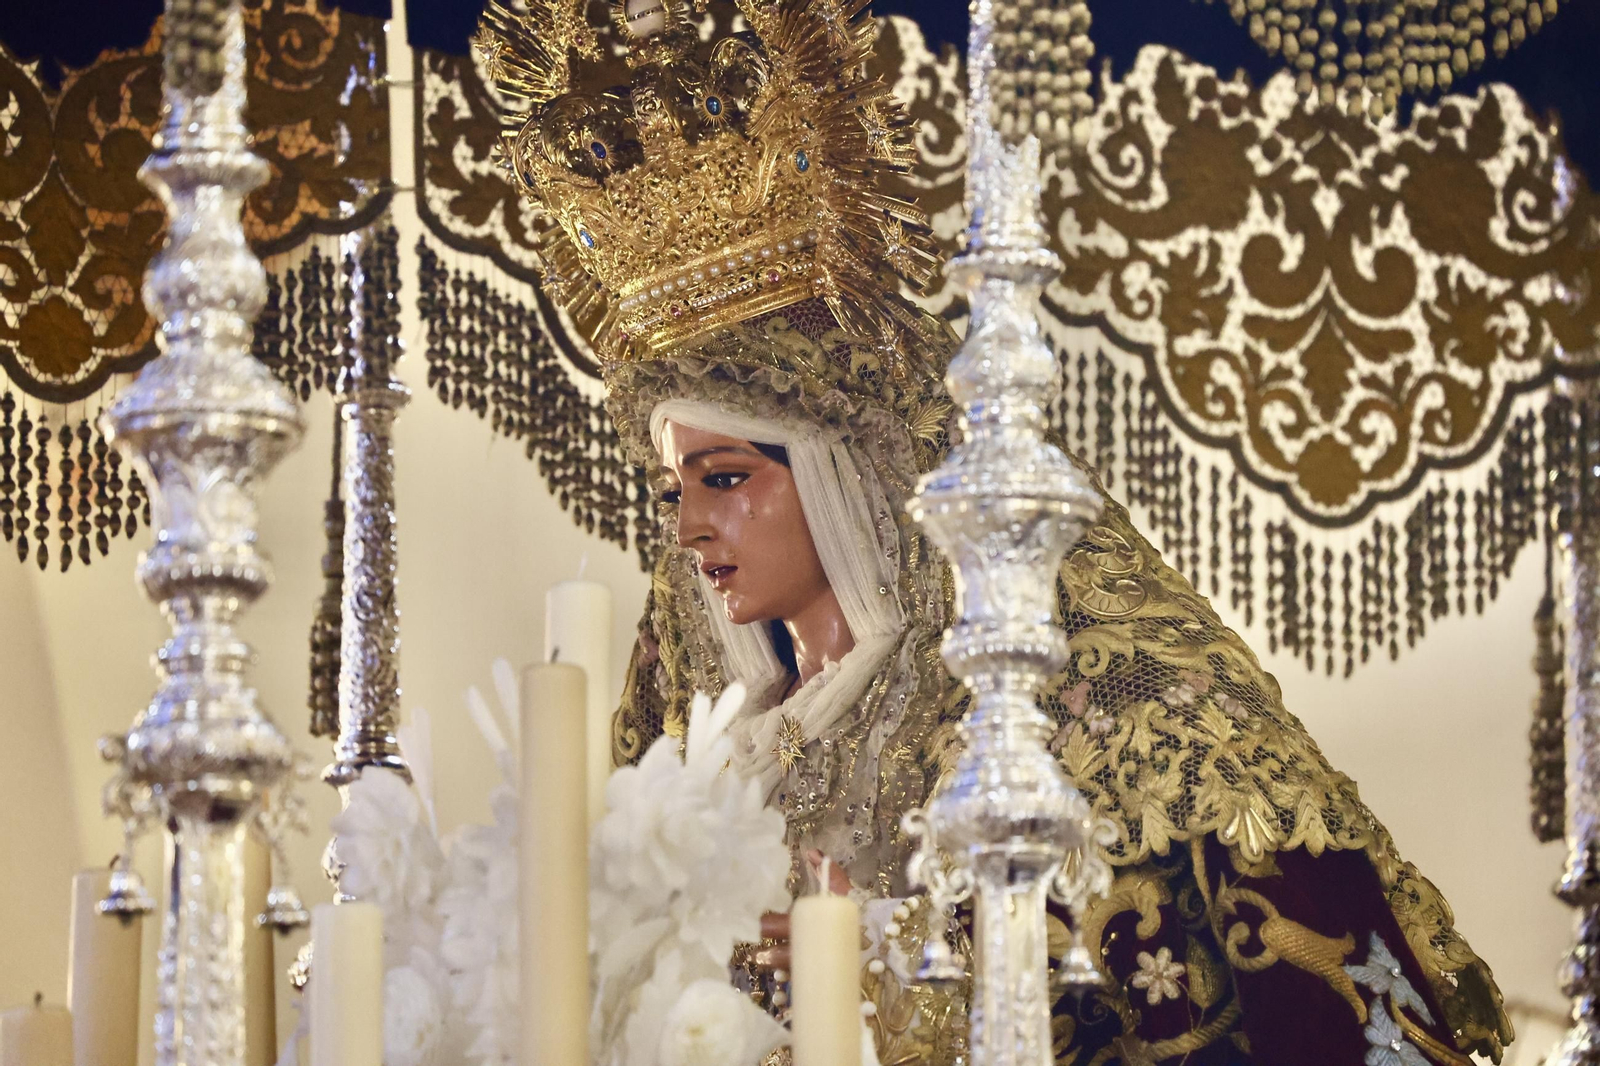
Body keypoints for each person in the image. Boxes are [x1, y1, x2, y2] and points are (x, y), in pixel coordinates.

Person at [477, 0, 1513, 1061]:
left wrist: (893, 982)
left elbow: (1267, 1007)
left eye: (727, 476)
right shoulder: (697, 745)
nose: (689, 530)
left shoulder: (1083, 709)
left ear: (849, 477)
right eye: (672, 489)